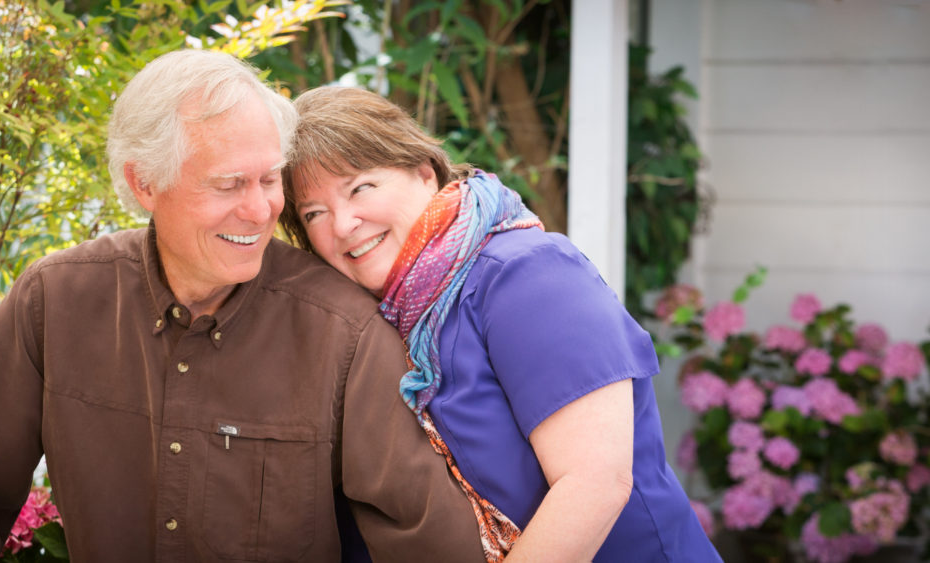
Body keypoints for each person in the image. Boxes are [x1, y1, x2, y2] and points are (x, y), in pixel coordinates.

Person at [0, 50, 484, 562]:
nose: (260, 212)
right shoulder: (53, 302)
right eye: (230, 184)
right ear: (145, 184)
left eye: (269, 180)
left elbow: (430, 546)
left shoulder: (344, 333)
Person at [280, 86, 723, 562]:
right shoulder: (377, 320)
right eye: (314, 213)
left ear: (424, 173)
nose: (343, 224)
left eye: (360, 187)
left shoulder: (525, 274)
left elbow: (595, 482)